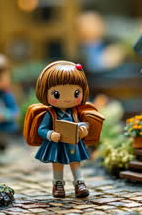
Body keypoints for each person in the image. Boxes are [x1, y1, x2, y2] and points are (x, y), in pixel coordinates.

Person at [33, 61, 90, 198]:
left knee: (75, 162)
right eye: (57, 94)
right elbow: (41, 129)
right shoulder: (50, 114)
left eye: (76, 93)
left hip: (73, 143)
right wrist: (50, 134)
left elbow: (83, 123)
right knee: (57, 163)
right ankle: (58, 183)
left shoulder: (75, 112)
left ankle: (79, 182)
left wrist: (83, 129)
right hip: (56, 144)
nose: (66, 99)